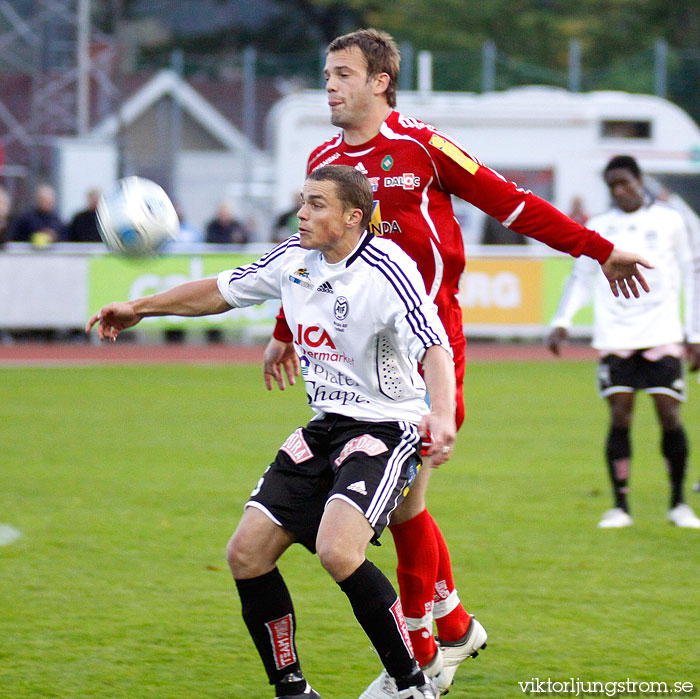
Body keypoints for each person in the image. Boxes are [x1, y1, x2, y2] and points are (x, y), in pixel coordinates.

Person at [261, 28, 652, 699]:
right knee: (406, 504)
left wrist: (596, 247)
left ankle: (420, 658)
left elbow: (512, 202)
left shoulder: (422, 146)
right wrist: (283, 327)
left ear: (381, 80)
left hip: (430, 344)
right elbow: (315, 249)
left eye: (343, 73)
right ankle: (452, 627)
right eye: (326, 73)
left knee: (402, 502)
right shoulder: (324, 155)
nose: (330, 84)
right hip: (363, 358)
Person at [86, 164, 456, 699]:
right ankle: (293, 691)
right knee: (246, 554)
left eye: (317, 205)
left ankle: (411, 683)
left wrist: (440, 414)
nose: (302, 213)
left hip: (386, 427)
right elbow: (219, 290)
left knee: (338, 550)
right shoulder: (295, 258)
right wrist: (140, 307)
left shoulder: (388, 270)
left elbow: (434, 347)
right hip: (327, 426)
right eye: (302, 201)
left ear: (354, 218)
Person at [547, 155, 700, 529]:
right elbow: (581, 275)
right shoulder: (601, 226)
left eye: (625, 183)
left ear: (639, 180)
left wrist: (694, 335)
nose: (620, 191)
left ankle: (678, 503)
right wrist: (562, 320)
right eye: (612, 185)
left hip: (663, 333)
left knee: (669, 414)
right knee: (620, 415)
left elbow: (692, 271)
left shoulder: (670, 220)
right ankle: (620, 506)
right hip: (616, 335)